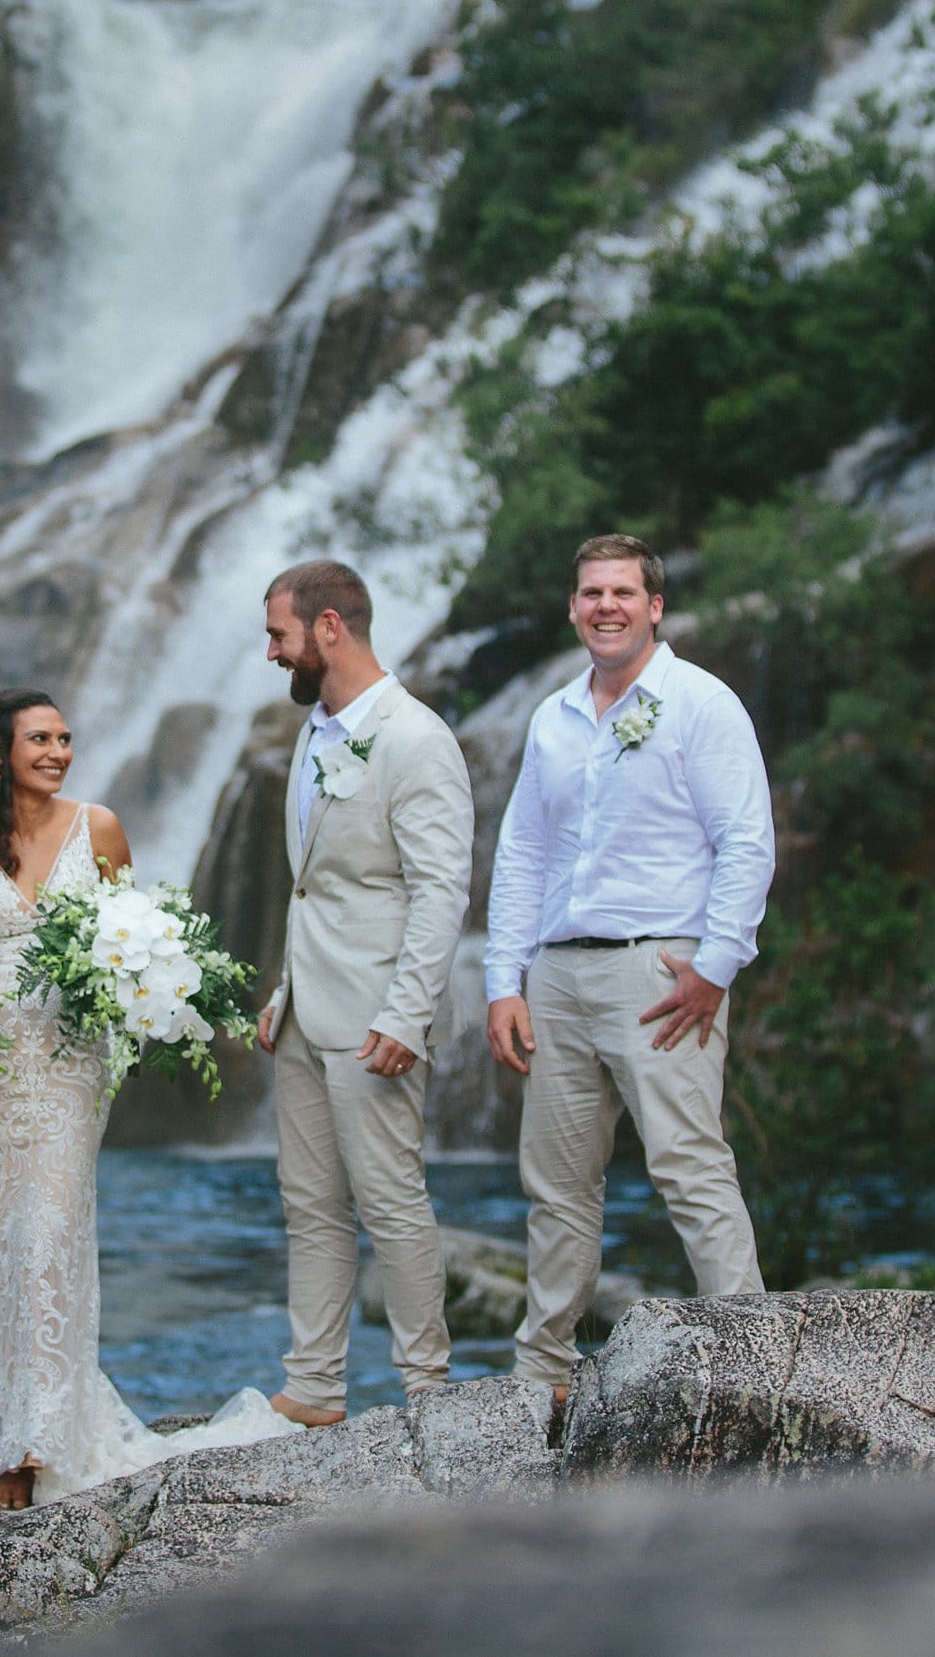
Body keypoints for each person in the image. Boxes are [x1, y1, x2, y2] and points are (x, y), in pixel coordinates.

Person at [0, 688, 294, 1508]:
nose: (59, 750)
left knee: (51, 1229)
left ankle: (36, 1447)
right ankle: (8, 1426)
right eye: (39, 738)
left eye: (65, 737)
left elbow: (133, 928)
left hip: (69, 1058)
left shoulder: (95, 826)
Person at [483, 534, 774, 1403]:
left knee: (689, 1164)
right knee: (558, 1183)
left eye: (622, 592)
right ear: (572, 608)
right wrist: (505, 978)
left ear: (655, 606)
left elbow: (747, 843)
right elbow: (522, 854)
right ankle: (545, 1374)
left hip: (661, 970)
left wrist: (716, 967)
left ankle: (757, 1359)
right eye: (590, 593)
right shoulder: (552, 716)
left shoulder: (700, 703)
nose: (605, 606)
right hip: (559, 976)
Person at [254, 560, 471, 1426]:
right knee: (307, 1201)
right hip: (307, 1009)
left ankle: (429, 1389)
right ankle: (314, 1386)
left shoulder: (417, 739)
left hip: (378, 1013)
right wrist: (283, 989)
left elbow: (440, 890)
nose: (271, 652)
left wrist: (406, 1014)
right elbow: (311, 883)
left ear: (329, 627)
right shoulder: (311, 732)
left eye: (280, 635)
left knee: (390, 1198)